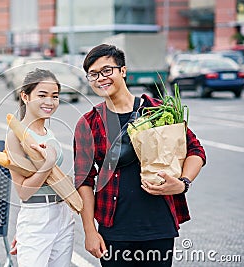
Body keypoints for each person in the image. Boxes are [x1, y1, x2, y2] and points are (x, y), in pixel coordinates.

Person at [73, 44, 206, 267]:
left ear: (123, 71)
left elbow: (195, 150)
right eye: (93, 74)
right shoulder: (89, 123)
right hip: (114, 230)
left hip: (158, 226)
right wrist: (89, 231)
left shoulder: (157, 110)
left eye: (107, 71)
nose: (100, 79)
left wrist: (183, 183)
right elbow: (84, 180)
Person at [6, 68, 75, 267]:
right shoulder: (15, 136)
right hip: (37, 215)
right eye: (42, 95)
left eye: (55, 96)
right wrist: (47, 164)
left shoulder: (47, 131)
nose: (50, 102)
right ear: (25, 97)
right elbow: (23, 192)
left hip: (62, 214)